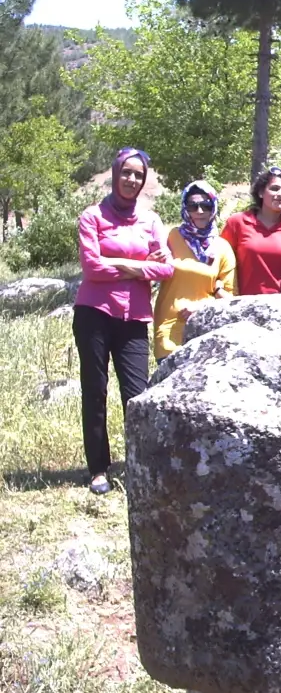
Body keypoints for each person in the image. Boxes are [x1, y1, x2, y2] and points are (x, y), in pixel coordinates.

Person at [73, 147, 173, 495]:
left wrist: (131, 267)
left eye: (138, 175)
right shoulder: (92, 217)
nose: (131, 180)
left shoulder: (151, 221)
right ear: (115, 174)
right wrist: (140, 267)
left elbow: (167, 268)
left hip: (134, 318)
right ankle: (98, 468)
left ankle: (139, 463)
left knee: (137, 395)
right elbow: (92, 268)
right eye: (126, 173)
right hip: (94, 315)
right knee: (95, 391)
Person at [153, 180, 236, 360]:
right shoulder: (171, 237)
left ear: (213, 207)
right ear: (185, 208)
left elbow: (231, 300)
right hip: (169, 333)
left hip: (207, 336)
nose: (199, 212)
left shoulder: (222, 248)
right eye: (193, 206)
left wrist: (202, 307)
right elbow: (152, 270)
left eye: (205, 206)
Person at [220, 167, 281, 295]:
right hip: (238, 305)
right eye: (274, 188)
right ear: (261, 192)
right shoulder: (237, 222)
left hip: (280, 308)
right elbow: (219, 262)